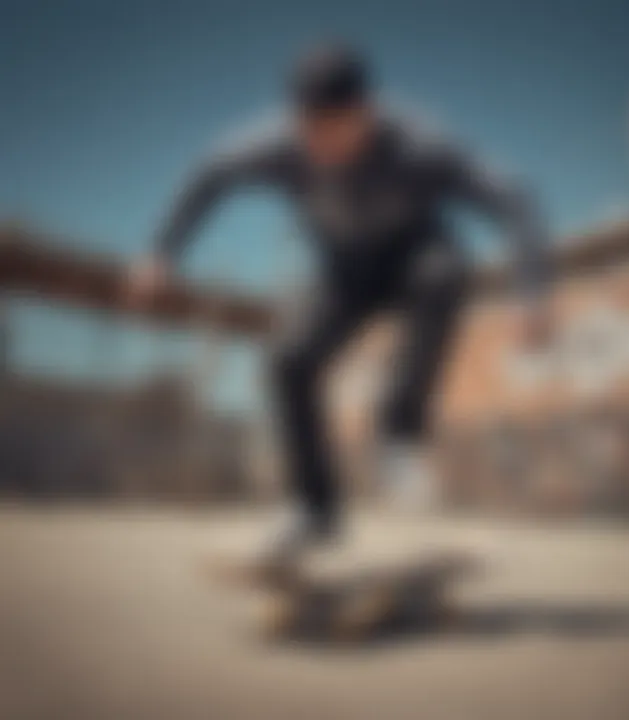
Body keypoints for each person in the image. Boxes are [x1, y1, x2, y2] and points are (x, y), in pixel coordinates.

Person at [128, 43, 554, 564]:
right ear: (295, 120)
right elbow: (208, 174)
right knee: (288, 362)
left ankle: (400, 434)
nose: (324, 144)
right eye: (312, 130)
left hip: (413, 255)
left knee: (444, 274)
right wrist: (161, 251)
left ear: (367, 112)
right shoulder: (276, 145)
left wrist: (532, 288)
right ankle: (315, 511)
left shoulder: (421, 142)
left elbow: (512, 195)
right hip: (344, 274)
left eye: (339, 128)